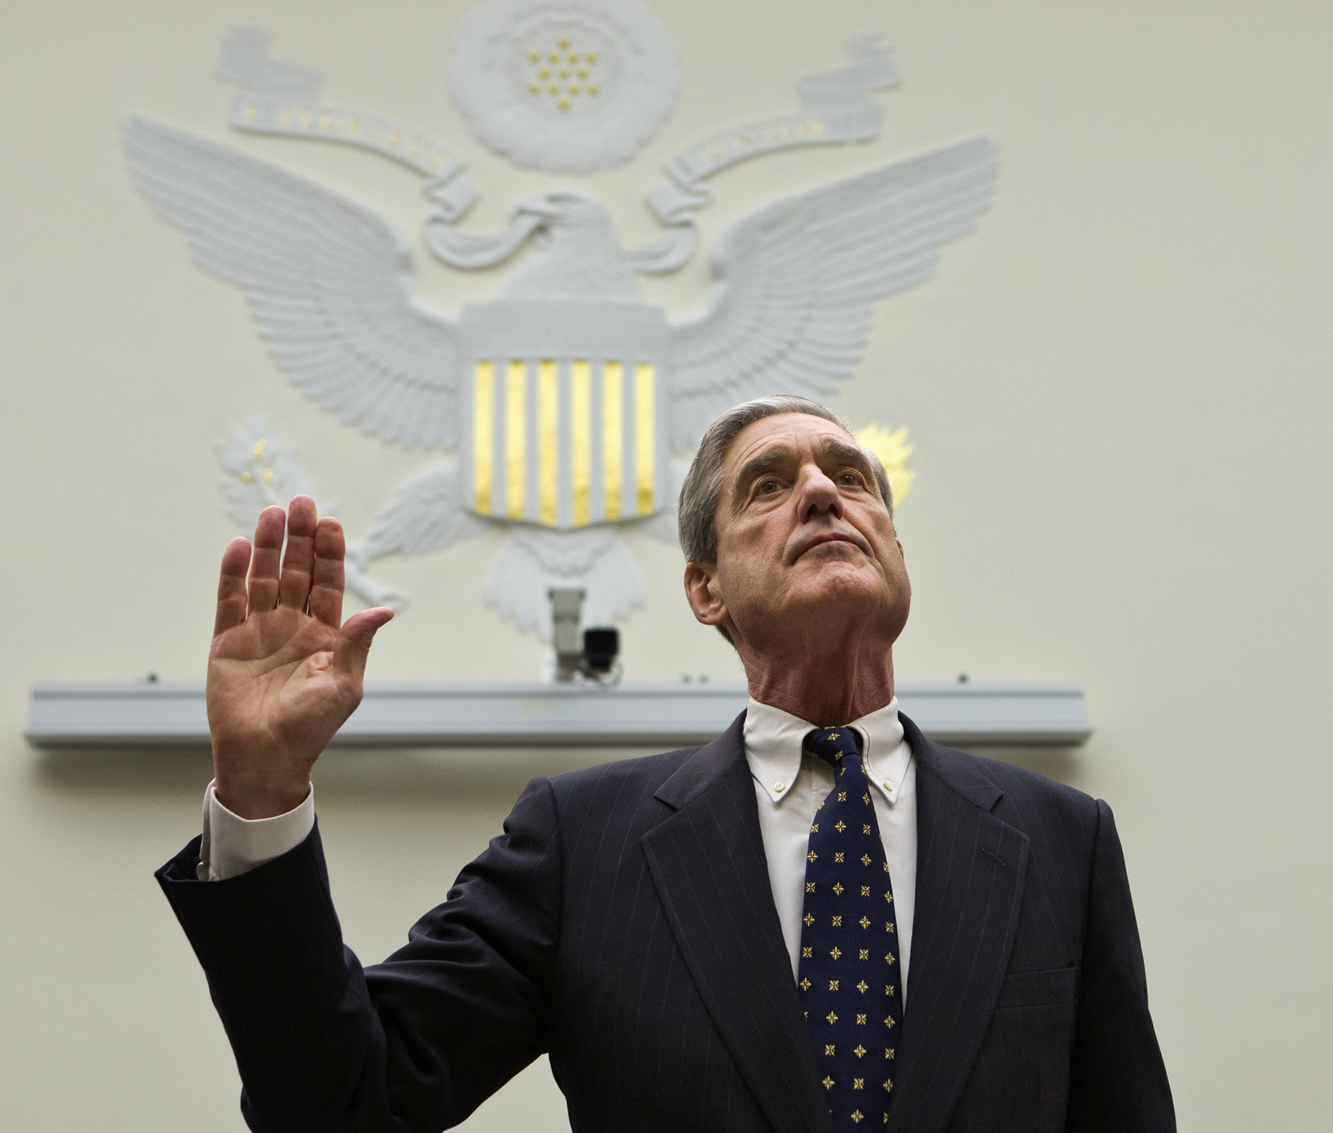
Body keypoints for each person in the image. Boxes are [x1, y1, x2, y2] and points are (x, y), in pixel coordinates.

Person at [158, 394, 1175, 1132]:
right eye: (768, 487)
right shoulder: (583, 841)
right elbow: (343, 1104)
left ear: (892, 549)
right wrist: (261, 791)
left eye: (848, 477)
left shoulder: (1057, 840)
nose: (820, 490)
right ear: (705, 591)